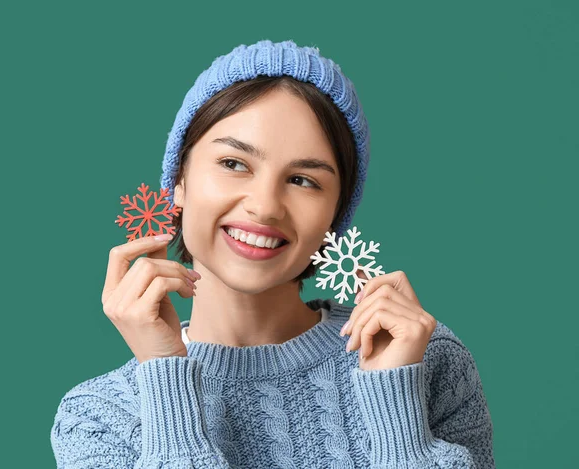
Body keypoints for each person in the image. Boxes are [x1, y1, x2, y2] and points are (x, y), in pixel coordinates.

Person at [50, 39, 495, 468]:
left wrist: (394, 404)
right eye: (233, 164)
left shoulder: (425, 357)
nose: (264, 206)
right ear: (178, 182)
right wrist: (165, 375)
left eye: (304, 180)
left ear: (335, 215)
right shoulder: (98, 418)